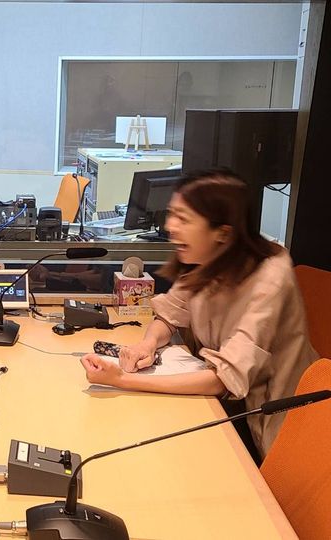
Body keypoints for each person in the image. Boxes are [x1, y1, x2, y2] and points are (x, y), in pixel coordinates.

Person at [80, 169, 317, 459]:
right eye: (172, 214)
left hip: (279, 420)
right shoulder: (207, 256)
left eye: (183, 218)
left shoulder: (270, 277)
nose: (170, 226)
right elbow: (170, 315)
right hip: (232, 407)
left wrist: (121, 380)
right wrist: (147, 344)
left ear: (222, 233)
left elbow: (222, 379)